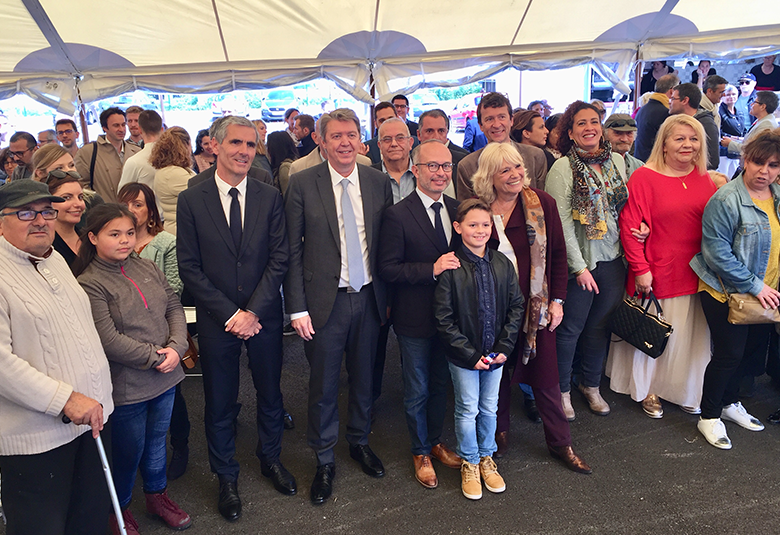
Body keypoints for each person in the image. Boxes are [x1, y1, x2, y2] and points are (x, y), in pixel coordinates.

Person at [177, 115, 293, 521]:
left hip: (262, 316)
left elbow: (280, 257)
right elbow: (189, 267)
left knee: (271, 394)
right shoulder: (191, 199)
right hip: (217, 319)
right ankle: (226, 476)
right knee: (220, 402)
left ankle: (271, 458)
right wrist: (231, 315)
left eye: (251, 144)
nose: (245, 151)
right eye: (237, 143)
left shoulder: (268, 194)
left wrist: (254, 311)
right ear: (215, 145)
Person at [284, 108, 393, 505]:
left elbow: (386, 246)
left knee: (365, 378)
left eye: (352, 135)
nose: (345, 143)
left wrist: (390, 300)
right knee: (323, 385)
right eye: (336, 136)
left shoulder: (378, 183)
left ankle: (359, 442)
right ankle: (324, 458)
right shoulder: (300, 183)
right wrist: (296, 308)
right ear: (322, 141)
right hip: (322, 304)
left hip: (369, 298)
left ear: (361, 140)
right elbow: (291, 251)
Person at [0, 179, 114, 535]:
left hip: (92, 422)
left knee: (89, 520)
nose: (40, 220)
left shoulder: (56, 262)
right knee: (42, 527)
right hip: (37, 441)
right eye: (25, 213)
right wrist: (65, 398)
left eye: (46, 211)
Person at [472, 143, 592, 474]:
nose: (515, 175)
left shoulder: (542, 204)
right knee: (495, 374)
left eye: (518, 167)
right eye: (505, 170)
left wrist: (558, 301)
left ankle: (560, 443)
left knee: (546, 378)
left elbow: (556, 255)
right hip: (490, 308)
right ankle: (499, 433)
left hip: (535, 308)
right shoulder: (477, 210)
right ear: (489, 177)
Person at [75, 204, 190, 533]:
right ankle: (119, 507)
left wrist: (177, 347)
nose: (125, 241)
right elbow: (108, 339)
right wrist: (158, 356)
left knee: (157, 442)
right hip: (128, 384)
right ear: (93, 237)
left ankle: (157, 495)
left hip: (166, 374)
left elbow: (173, 305)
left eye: (129, 233)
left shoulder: (147, 267)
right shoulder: (89, 282)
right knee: (129, 450)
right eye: (114, 234)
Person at [607, 114, 716, 418]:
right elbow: (630, 226)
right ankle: (649, 388)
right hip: (657, 270)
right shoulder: (644, 177)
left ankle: (683, 388)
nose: (687, 145)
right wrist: (641, 268)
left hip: (696, 271)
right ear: (664, 143)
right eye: (679, 138)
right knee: (653, 331)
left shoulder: (704, 176)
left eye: (693, 139)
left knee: (688, 336)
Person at [377, 140, 463, 489]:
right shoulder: (397, 214)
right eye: (433, 166)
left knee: (442, 384)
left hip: (452, 318)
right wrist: (432, 268)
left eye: (446, 166)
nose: (441, 172)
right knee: (417, 388)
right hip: (413, 316)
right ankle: (419, 451)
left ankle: (435, 441)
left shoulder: (458, 208)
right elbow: (388, 268)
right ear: (416, 170)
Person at [689, 130, 780, 449]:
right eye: (758, 162)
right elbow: (716, 254)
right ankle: (709, 416)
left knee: (750, 353)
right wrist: (756, 285)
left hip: (764, 293)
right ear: (744, 159)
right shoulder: (726, 198)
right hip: (726, 291)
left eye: (773, 165)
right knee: (729, 355)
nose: (764, 171)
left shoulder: (776, 194)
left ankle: (728, 404)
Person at [433, 198, 524, 500]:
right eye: (473, 225)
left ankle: (487, 457)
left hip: (496, 354)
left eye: (485, 225)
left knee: (490, 408)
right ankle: (469, 461)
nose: (480, 230)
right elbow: (443, 319)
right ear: (458, 227)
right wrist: (470, 355)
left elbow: (516, 306)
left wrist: (505, 346)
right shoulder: (451, 267)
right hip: (465, 358)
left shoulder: (502, 263)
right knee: (467, 408)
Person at [544, 101, 630, 420]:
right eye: (581, 123)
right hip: (581, 263)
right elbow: (562, 222)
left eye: (594, 121)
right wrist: (578, 267)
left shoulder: (616, 162)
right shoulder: (563, 169)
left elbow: (624, 208)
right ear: (570, 132)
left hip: (613, 258)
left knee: (600, 326)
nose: (589, 128)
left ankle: (590, 384)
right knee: (570, 329)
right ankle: (561, 390)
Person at [457, 92, 548, 198]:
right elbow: (466, 211)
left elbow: (541, 201)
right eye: (489, 119)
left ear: (511, 120)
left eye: (502, 117)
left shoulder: (535, 157)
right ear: (481, 126)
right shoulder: (467, 166)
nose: (496, 125)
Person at [74, 107, 142, 203]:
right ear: (104, 128)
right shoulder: (88, 152)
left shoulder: (136, 151)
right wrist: (95, 203)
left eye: (123, 125)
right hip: (104, 211)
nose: (121, 129)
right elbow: (81, 183)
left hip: (132, 210)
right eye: (116, 125)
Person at [152, 127, 196, 235]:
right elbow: (202, 194)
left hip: (176, 228)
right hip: (181, 231)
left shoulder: (167, 171)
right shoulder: (174, 174)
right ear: (185, 146)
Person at [668, 83, 719, 171]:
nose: (669, 102)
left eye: (673, 98)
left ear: (685, 100)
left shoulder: (706, 124)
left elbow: (712, 160)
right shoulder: (676, 121)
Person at [45, 164, 85, 267]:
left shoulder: (88, 237)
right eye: (67, 198)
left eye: (80, 197)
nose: (78, 204)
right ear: (49, 202)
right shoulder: (45, 246)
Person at [634, 73, 679, 161]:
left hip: (640, 161)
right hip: (654, 163)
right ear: (672, 90)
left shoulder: (642, 109)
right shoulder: (665, 113)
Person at [722, 91, 779, 159]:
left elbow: (754, 148)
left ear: (763, 107)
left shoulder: (767, 125)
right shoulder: (762, 120)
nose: (751, 104)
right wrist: (737, 140)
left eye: (755, 102)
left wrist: (730, 144)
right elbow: (751, 141)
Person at [118, 109, 164, 192]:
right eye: (130, 121)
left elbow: (122, 193)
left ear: (140, 130)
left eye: (136, 121)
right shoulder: (175, 158)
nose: (132, 124)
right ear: (162, 130)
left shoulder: (134, 162)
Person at [603, 114, 643, 178]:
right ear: (604, 135)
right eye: (618, 133)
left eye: (629, 133)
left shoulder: (639, 167)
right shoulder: (596, 166)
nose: (624, 139)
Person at [718, 84, 745, 178]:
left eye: (734, 94)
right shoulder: (719, 111)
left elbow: (743, 130)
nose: (731, 97)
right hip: (723, 152)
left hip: (736, 152)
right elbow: (718, 131)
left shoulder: (739, 112)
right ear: (722, 96)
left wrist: (741, 138)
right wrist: (734, 138)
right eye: (728, 94)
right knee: (723, 178)